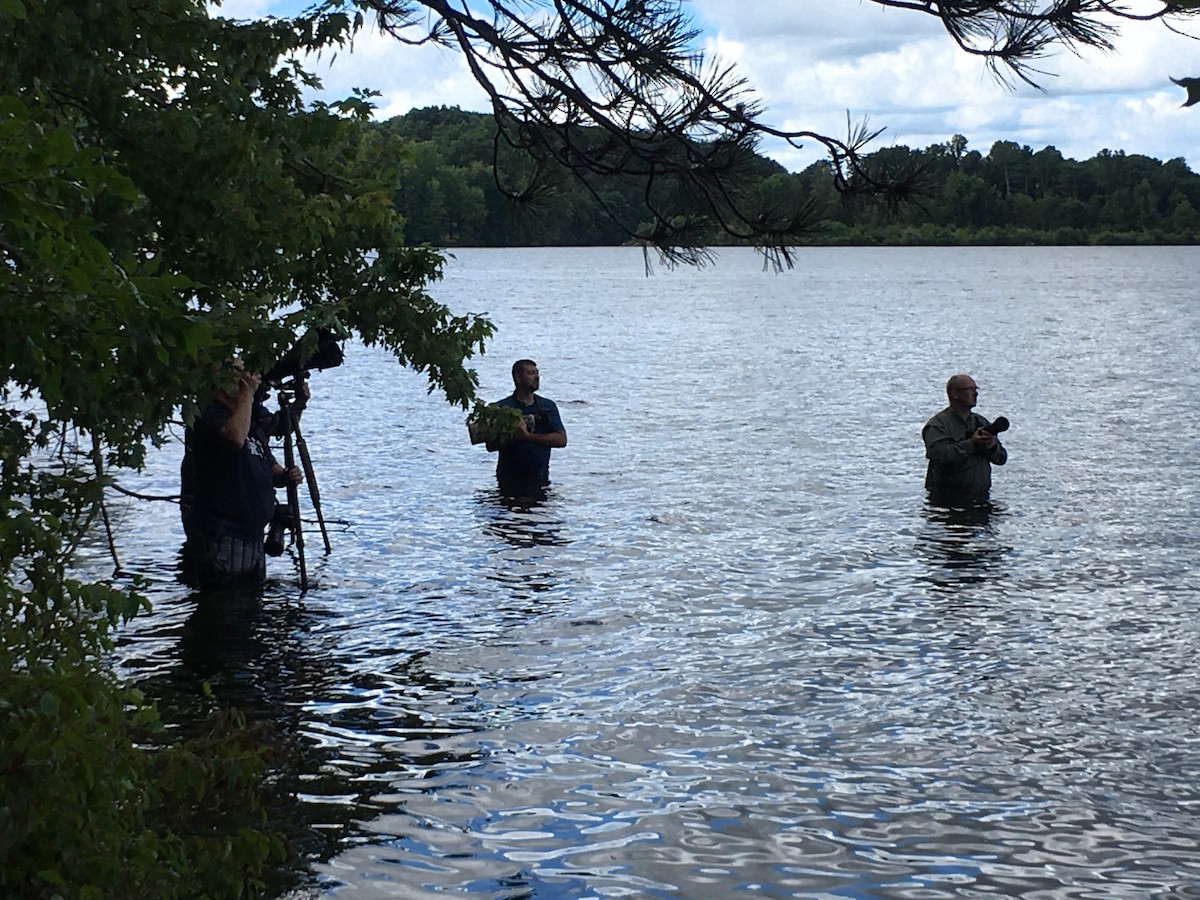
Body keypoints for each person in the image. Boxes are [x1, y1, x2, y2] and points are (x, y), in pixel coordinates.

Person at [180, 361, 304, 589]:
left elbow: (271, 469)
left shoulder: (250, 423)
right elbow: (235, 438)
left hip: (251, 538)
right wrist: (247, 392)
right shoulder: (209, 414)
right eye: (240, 377)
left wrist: (287, 476)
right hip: (221, 537)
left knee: (250, 612)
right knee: (226, 612)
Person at [922, 373, 1007, 505]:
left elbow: (1002, 458)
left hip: (981, 498)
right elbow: (938, 455)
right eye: (970, 389)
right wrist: (972, 444)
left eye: (976, 389)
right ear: (954, 394)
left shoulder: (981, 422)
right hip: (946, 500)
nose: (975, 394)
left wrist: (991, 447)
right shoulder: (938, 424)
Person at [493, 359, 567, 492]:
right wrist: (512, 435)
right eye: (531, 373)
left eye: (537, 373)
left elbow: (561, 440)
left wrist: (527, 437)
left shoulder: (547, 407)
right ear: (518, 377)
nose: (537, 377)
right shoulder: (502, 408)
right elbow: (490, 445)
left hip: (540, 477)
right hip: (508, 478)